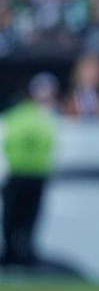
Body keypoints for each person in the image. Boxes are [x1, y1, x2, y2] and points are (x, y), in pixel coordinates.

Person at [1, 73, 58, 269]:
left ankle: (18, 255)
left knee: (20, 217)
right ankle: (16, 255)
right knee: (22, 217)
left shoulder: (20, 116)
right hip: (26, 174)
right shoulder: (38, 117)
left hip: (27, 174)